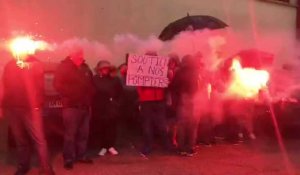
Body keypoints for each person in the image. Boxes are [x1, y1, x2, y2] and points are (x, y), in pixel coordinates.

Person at [2, 55, 54, 175]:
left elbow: (37, 71)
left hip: (31, 109)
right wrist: (1, 105)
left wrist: (25, 66)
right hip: (13, 107)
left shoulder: (36, 63)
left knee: (39, 140)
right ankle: (23, 165)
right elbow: (3, 84)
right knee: (20, 140)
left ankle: (46, 169)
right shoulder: (9, 65)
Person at [54, 49, 95, 170]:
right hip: (71, 107)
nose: (82, 57)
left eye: (82, 55)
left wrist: (90, 96)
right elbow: (57, 84)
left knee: (83, 134)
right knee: (70, 135)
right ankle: (68, 158)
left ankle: (81, 156)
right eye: (79, 55)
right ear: (72, 56)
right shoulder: (64, 67)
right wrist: (71, 95)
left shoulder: (85, 68)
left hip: (85, 107)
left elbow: (91, 85)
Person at [137, 51, 170, 156]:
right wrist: (142, 96)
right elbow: (136, 83)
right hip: (147, 101)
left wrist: (168, 74)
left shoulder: (161, 70)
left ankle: (165, 144)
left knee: (161, 124)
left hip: (159, 100)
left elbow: (168, 81)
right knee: (147, 125)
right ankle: (148, 145)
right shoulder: (140, 70)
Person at [170, 54, 201, 156]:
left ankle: (181, 148)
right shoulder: (196, 73)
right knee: (192, 126)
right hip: (194, 101)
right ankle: (190, 148)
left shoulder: (179, 73)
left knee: (182, 126)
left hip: (182, 101)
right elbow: (200, 88)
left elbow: (173, 86)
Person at [92, 60, 123, 156]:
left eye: (107, 68)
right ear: (99, 70)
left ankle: (111, 146)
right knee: (101, 127)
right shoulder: (95, 79)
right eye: (103, 68)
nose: (105, 70)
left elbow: (120, 93)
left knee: (112, 127)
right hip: (100, 107)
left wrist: (116, 103)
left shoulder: (115, 79)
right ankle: (103, 147)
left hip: (112, 107)